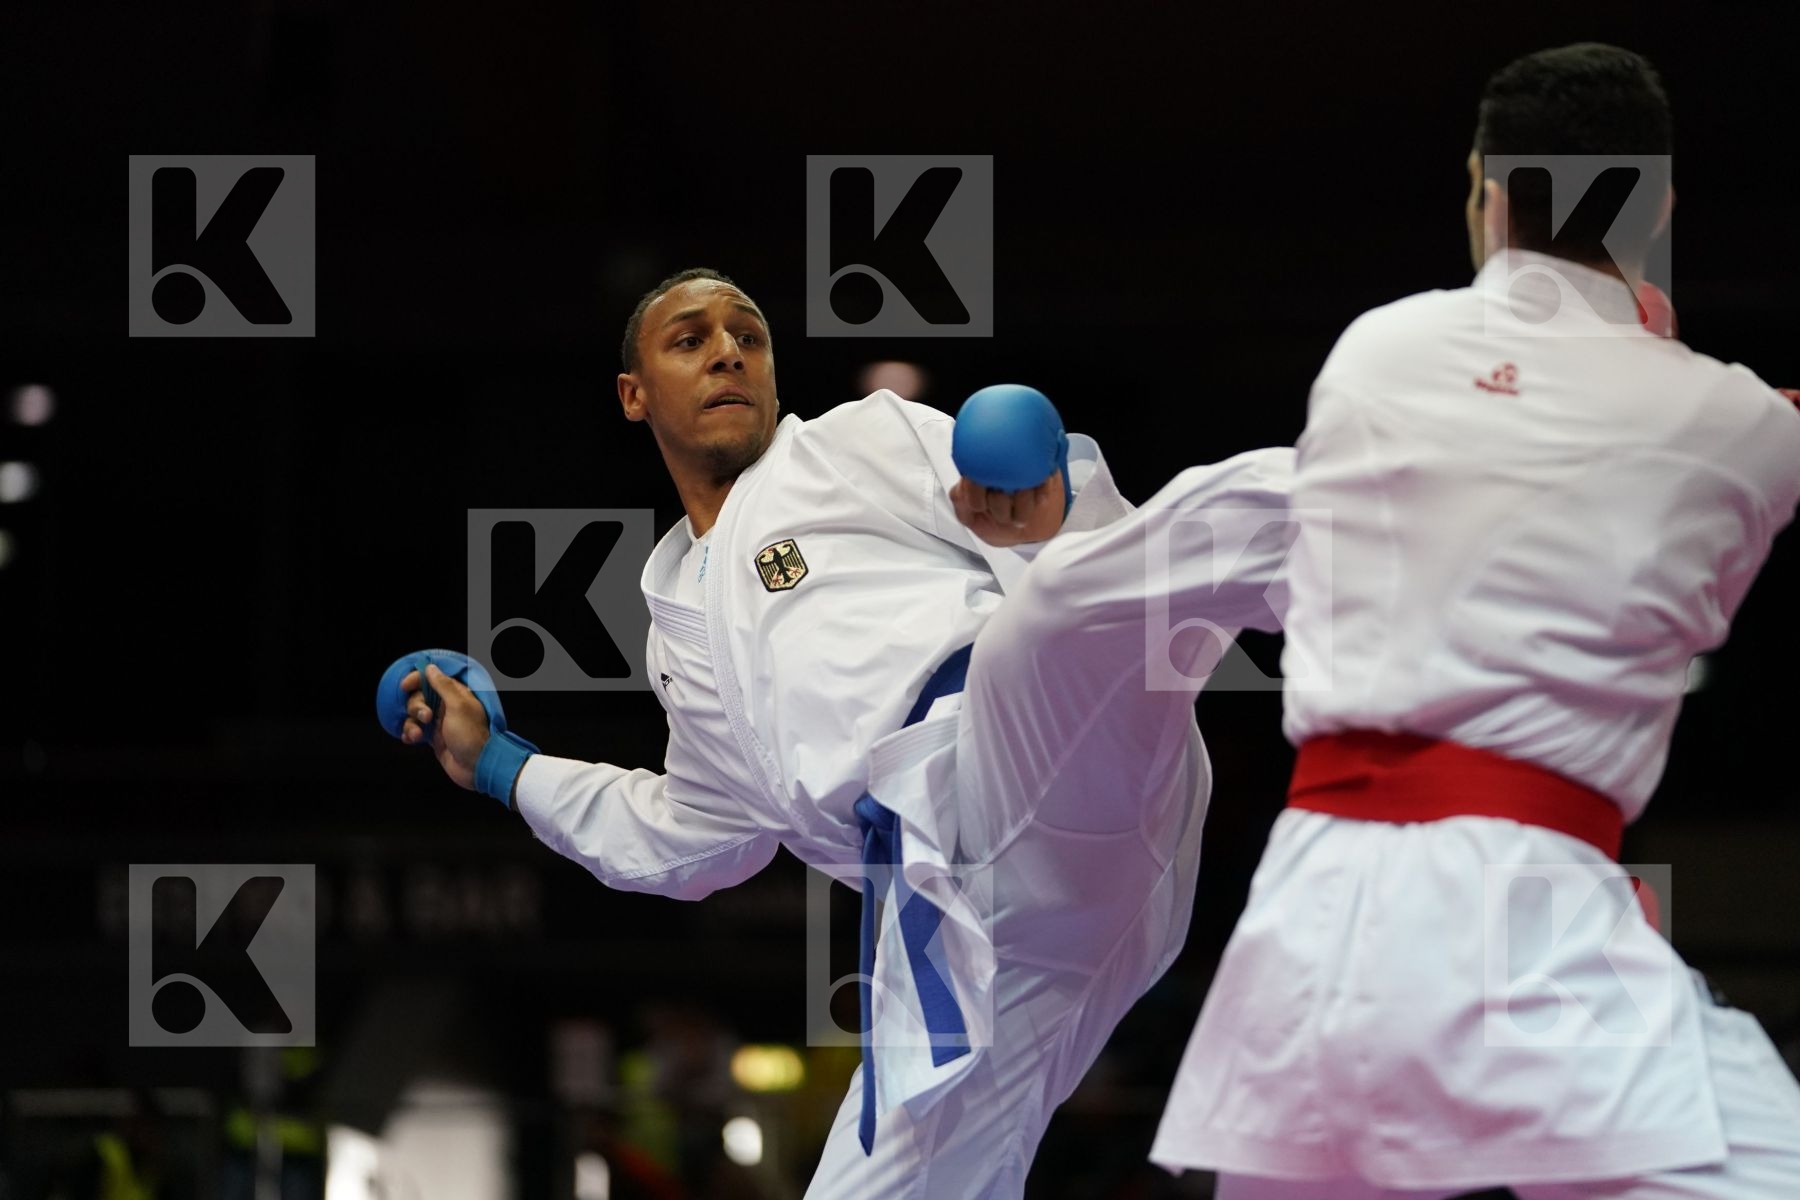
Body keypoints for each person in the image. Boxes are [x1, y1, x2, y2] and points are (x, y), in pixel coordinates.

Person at [394, 266, 1295, 1197]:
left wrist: (1048, 509)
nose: (728, 352)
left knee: (1077, 596)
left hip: (1019, 746)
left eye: (747, 334)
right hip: (981, 924)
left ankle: (1393, 515)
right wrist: (502, 765)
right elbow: (684, 837)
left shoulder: (859, 441)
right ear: (634, 395)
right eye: (690, 340)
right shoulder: (674, 634)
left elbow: (1027, 514)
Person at [1149, 43, 1800, 1199]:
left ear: (1484, 191)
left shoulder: (1371, 351)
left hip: (1310, 913)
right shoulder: (1736, 422)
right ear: (1659, 208)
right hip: (1522, 913)